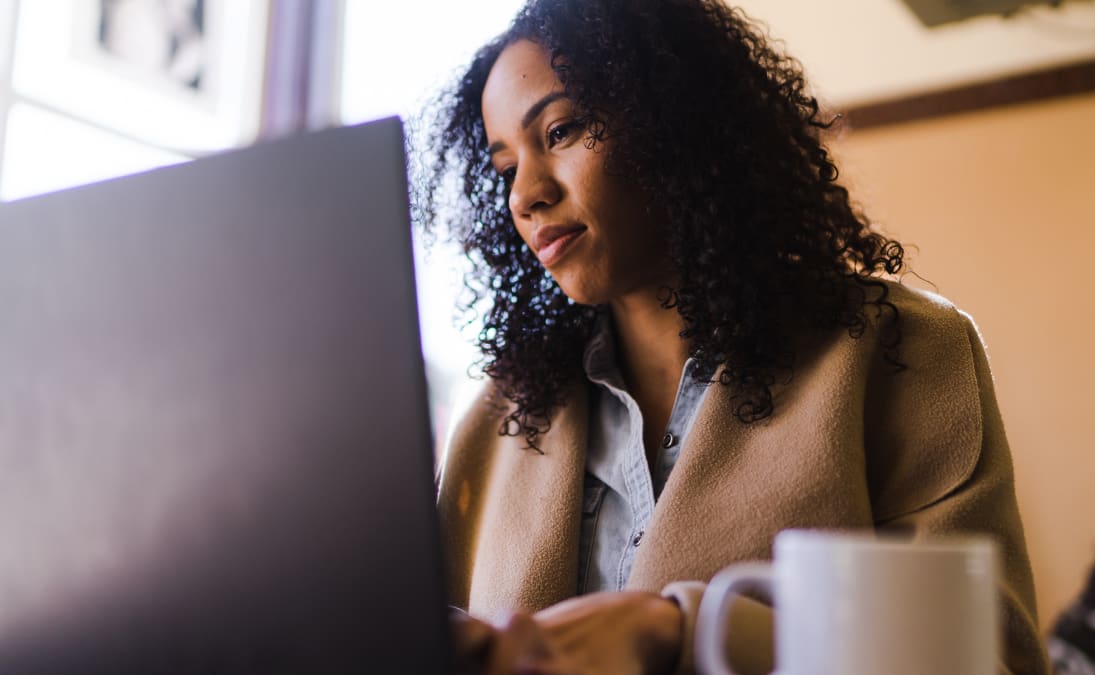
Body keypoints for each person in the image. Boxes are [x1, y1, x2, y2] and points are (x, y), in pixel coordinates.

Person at [421, 0, 1049, 673]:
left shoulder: (903, 352)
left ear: (676, 120)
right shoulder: (498, 419)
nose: (526, 194)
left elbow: (987, 658)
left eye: (563, 129)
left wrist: (690, 631)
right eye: (506, 167)